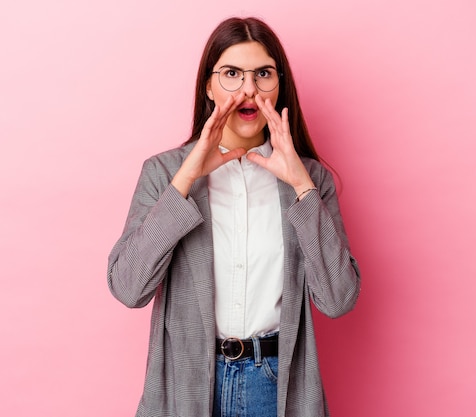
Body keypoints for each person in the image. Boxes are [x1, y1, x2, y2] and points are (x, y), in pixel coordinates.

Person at [107, 16, 361, 417]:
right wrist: (187, 176)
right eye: (231, 73)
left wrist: (301, 186)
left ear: (280, 84)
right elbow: (128, 288)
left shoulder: (312, 180)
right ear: (208, 86)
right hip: (189, 385)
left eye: (263, 73)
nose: (249, 89)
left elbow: (337, 300)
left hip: (276, 387)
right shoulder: (163, 173)